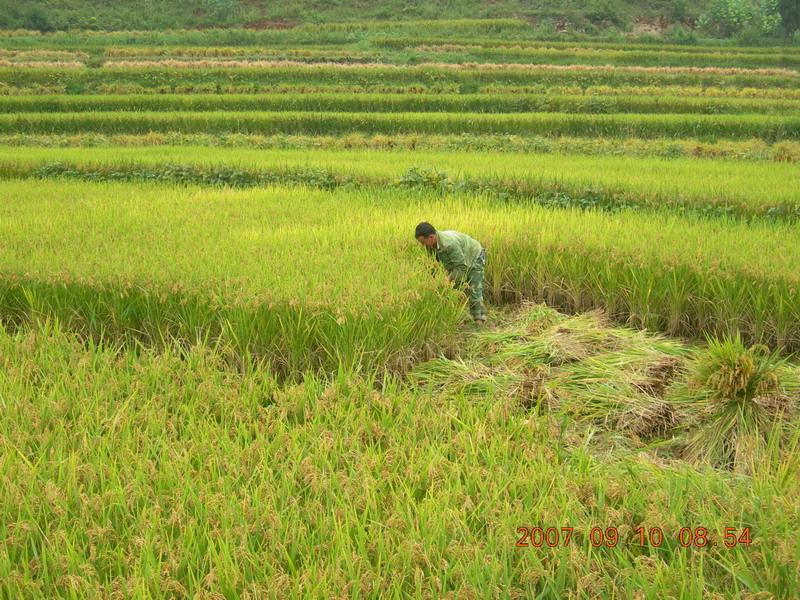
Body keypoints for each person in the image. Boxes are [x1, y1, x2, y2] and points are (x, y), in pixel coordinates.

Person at [415, 221, 487, 324]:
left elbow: (461, 268)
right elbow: (433, 264)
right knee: (450, 287)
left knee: (474, 286)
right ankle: (452, 317)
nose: (422, 245)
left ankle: (479, 319)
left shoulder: (449, 244)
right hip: (460, 258)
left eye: (423, 242)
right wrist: (433, 281)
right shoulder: (431, 244)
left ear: (431, 237)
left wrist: (447, 280)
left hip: (474, 255)